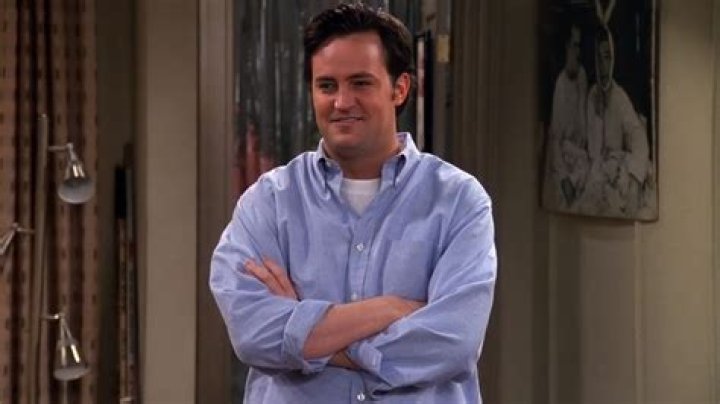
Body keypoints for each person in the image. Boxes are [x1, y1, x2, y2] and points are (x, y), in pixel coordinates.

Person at [210, 3, 497, 403]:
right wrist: (389, 310)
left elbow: (452, 341)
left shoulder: (459, 201)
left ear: (400, 88)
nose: (342, 102)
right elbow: (252, 333)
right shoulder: (267, 203)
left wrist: (303, 335)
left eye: (360, 83)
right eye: (327, 86)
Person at [583, 25, 651, 216]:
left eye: (607, 57)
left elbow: (638, 138)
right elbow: (593, 149)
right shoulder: (592, 96)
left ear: (612, 59)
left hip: (618, 169)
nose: (603, 65)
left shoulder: (620, 97)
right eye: (598, 58)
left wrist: (633, 177)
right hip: (598, 171)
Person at [544, 21, 590, 210]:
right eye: (574, 46)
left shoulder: (582, 77)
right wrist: (565, 180)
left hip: (581, 161)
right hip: (564, 165)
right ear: (567, 48)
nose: (577, 52)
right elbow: (555, 141)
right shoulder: (561, 86)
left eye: (579, 46)